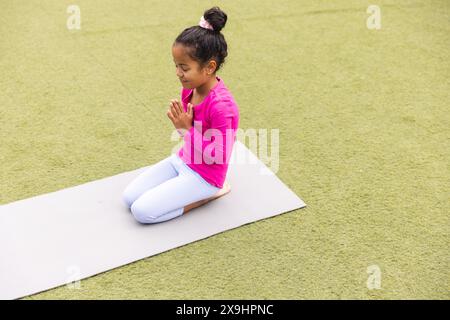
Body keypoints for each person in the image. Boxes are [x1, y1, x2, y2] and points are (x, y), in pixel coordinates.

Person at [123, 7, 240, 224]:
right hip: (182, 160)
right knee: (128, 198)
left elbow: (219, 155)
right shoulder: (189, 89)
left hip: (206, 177)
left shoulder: (223, 107)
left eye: (184, 68)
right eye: (176, 66)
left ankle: (208, 196)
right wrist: (185, 131)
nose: (178, 73)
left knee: (142, 212)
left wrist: (187, 131)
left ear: (209, 67)